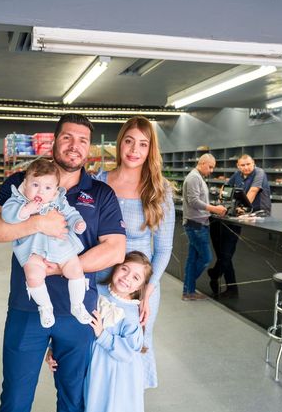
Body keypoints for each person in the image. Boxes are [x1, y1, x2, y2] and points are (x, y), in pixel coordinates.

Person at [0, 113, 126, 412]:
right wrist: (38, 224)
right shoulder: (22, 182)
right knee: (15, 400)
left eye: (82, 140)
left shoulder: (100, 193)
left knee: (74, 399)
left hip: (79, 311)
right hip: (27, 308)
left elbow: (115, 250)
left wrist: (62, 267)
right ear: (54, 142)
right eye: (67, 137)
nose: (75, 146)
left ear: (89, 148)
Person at [93, 116, 174, 389]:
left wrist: (148, 292)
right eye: (129, 141)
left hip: (139, 288)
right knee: (96, 346)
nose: (134, 149)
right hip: (101, 280)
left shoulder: (159, 191)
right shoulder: (98, 183)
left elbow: (163, 249)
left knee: (132, 349)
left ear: (151, 150)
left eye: (143, 144)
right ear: (120, 143)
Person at [47, 251, 152, 412]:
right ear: (116, 267)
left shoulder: (131, 315)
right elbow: (72, 322)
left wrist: (103, 335)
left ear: (140, 287)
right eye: (125, 269)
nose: (127, 277)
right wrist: (55, 348)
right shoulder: (94, 290)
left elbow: (128, 353)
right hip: (84, 363)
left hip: (109, 375)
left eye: (136, 277)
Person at [1, 158, 91, 328]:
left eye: (47, 187)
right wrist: (26, 210)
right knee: (33, 277)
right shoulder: (18, 200)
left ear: (55, 190)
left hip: (60, 245)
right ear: (25, 183)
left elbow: (71, 213)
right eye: (35, 185)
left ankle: (77, 305)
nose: (40, 192)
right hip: (32, 250)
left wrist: (77, 223)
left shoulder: (57, 200)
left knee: (75, 269)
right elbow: (7, 215)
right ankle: (45, 306)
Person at [209, 154, 271, 298]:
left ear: (253, 163)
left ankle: (216, 273)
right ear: (238, 166)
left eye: (248, 164)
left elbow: (253, 191)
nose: (246, 167)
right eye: (242, 165)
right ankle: (230, 286)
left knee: (227, 250)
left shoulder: (259, 173)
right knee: (226, 250)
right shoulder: (237, 175)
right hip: (239, 216)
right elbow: (226, 187)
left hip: (258, 214)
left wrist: (243, 206)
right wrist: (222, 199)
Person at [182, 153, 227, 301]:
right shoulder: (194, 177)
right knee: (206, 258)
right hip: (196, 225)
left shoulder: (198, 177)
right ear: (202, 163)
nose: (212, 170)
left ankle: (188, 292)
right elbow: (194, 201)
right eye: (210, 167)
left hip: (197, 223)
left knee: (192, 259)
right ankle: (189, 285)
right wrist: (213, 209)